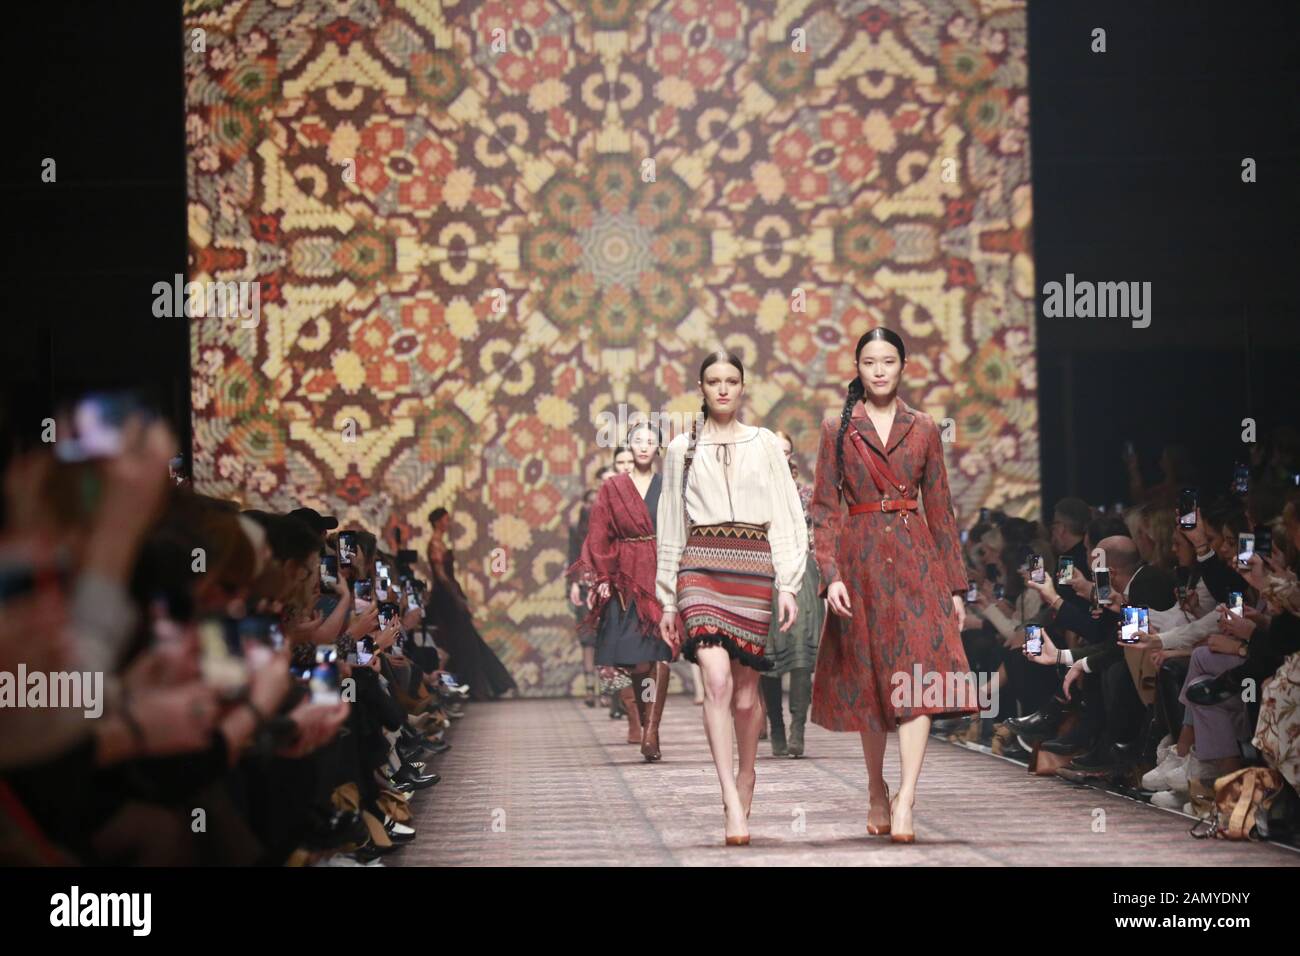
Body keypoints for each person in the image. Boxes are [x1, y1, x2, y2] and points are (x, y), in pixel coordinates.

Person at [808, 327, 978, 844]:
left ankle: (906, 796)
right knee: (872, 678)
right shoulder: (837, 428)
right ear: (856, 368)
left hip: (916, 559)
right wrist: (830, 574)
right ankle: (876, 788)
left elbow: (942, 510)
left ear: (903, 367)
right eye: (869, 362)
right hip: (859, 562)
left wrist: (954, 586)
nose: (879, 370)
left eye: (888, 361)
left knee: (919, 675)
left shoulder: (924, 427)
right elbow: (823, 509)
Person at [656, 351, 808, 846]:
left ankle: (747, 774)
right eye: (713, 381)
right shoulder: (681, 448)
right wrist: (664, 599)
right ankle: (728, 795)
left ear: (743, 387)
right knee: (717, 681)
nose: (723, 389)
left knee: (747, 695)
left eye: (731, 381)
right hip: (700, 567)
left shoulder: (764, 443)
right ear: (700, 387)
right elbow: (670, 526)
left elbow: (787, 515)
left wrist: (788, 583)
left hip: (754, 569)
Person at [568, 423, 672, 759]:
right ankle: (643, 722)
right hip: (627, 576)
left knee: (661, 651)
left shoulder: (670, 486)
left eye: (650, 441)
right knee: (637, 663)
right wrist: (603, 576)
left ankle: (651, 733)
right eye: (637, 441)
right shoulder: (613, 487)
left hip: (662, 571)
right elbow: (599, 533)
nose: (643, 447)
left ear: (659, 446)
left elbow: (682, 528)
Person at [759, 430, 824, 757]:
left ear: (791, 455)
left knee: (801, 653)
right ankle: (776, 727)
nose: (781, 455)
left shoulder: (806, 494)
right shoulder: (755, 493)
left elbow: (821, 535)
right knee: (767, 655)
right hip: (764, 575)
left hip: (802, 576)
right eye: (775, 450)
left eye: (786, 450)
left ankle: (798, 728)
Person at [424, 508, 517, 700]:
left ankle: (476, 687)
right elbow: (441, 575)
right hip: (445, 599)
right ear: (438, 521)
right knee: (462, 643)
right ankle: (472, 687)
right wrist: (456, 597)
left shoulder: (439, 543)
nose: (448, 523)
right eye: (445, 519)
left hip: (449, 595)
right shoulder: (435, 544)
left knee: (466, 642)